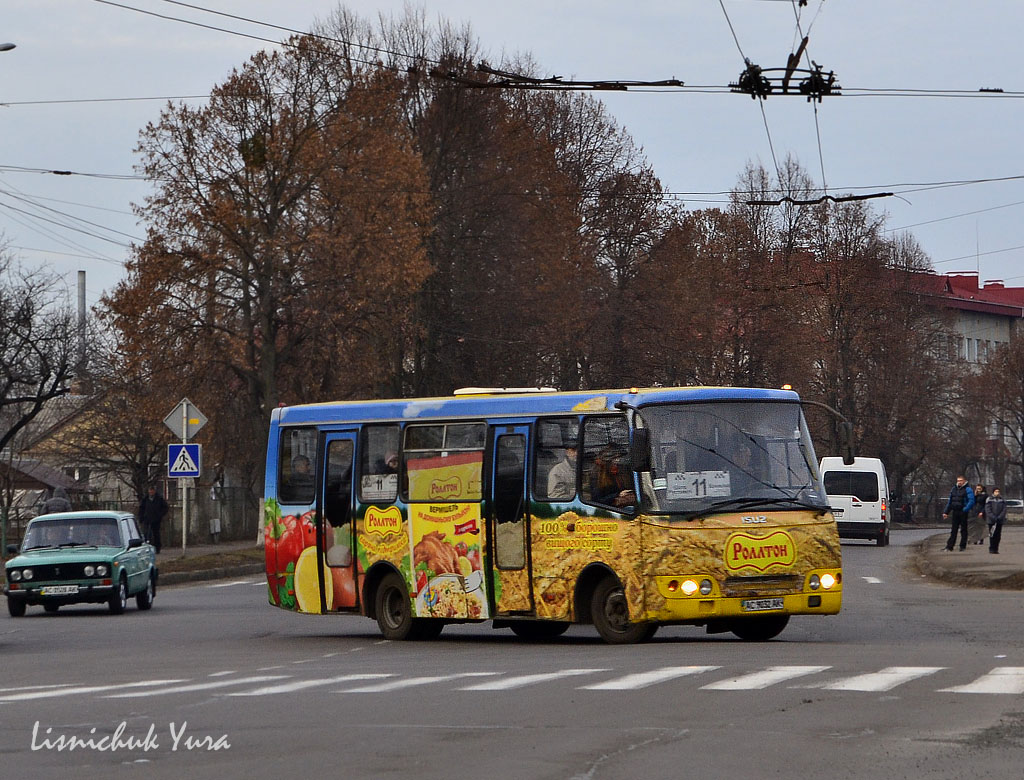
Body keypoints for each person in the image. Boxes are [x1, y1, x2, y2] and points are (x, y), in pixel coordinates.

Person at [942, 475, 975, 551]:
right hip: (955, 511)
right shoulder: (954, 489)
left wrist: (965, 509)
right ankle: (950, 546)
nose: (959, 482)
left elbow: (971, 501)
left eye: (960, 480)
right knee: (954, 529)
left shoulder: (968, 489)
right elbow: (950, 502)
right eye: (958, 481)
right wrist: (946, 512)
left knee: (963, 529)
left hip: (963, 511)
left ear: (964, 481)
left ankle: (962, 546)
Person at [139, 485, 169, 553]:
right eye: (150, 490)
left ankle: (157, 548)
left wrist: (160, 515)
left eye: (152, 490)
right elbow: (141, 508)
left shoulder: (159, 498)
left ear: (154, 491)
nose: (151, 492)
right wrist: (141, 517)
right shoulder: (145, 499)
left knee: (156, 534)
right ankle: (146, 548)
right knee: (146, 534)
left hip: (156, 520)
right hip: (147, 519)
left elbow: (165, 508)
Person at [985, 487, 1007, 554]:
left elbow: (1004, 509)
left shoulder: (1002, 499)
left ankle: (996, 548)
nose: (997, 493)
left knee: (998, 535)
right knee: (992, 535)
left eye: (998, 491)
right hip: (991, 521)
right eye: (996, 491)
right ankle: (991, 548)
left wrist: (1000, 517)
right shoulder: (989, 499)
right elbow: (988, 510)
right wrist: (993, 517)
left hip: (999, 520)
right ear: (993, 492)